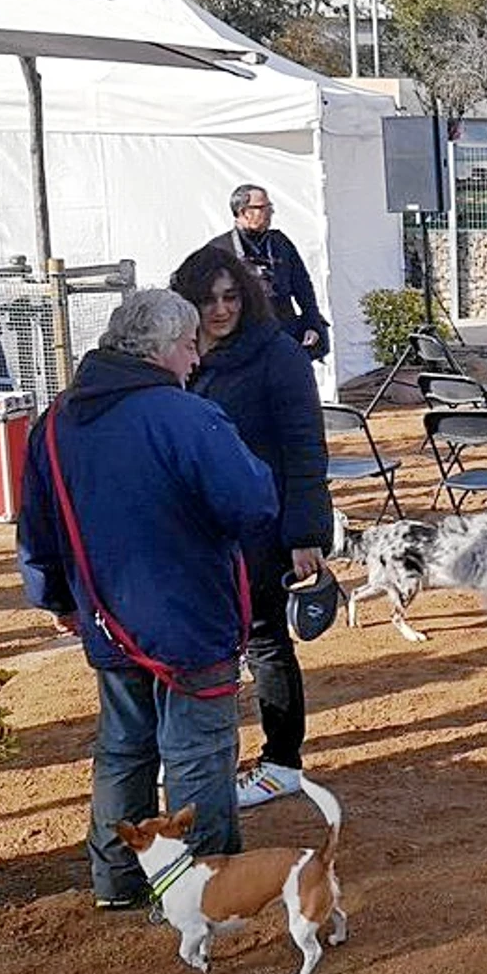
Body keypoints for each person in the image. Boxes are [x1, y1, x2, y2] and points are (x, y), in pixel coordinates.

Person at [16, 289, 278, 909]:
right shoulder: (185, 416)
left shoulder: (53, 421)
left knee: (122, 750)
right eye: (191, 346)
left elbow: (37, 526)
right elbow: (253, 503)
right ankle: (200, 895)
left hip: (105, 620)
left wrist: (56, 597)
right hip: (189, 621)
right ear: (163, 350)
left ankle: (117, 881)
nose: (196, 359)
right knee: (198, 756)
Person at [170, 245, 332, 810]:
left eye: (231, 296)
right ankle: (204, 757)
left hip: (263, 528)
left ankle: (282, 762)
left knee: (265, 641)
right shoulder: (176, 358)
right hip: (195, 533)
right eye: (208, 298)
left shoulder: (277, 356)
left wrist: (305, 534)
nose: (220, 309)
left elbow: (306, 447)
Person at [208, 184, 330, 361]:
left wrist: (312, 324)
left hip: (284, 336)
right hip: (245, 345)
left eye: (269, 207)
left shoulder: (280, 242)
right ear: (244, 212)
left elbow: (303, 287)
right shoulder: (219, 250)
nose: (270, 212)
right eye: (263, 208)